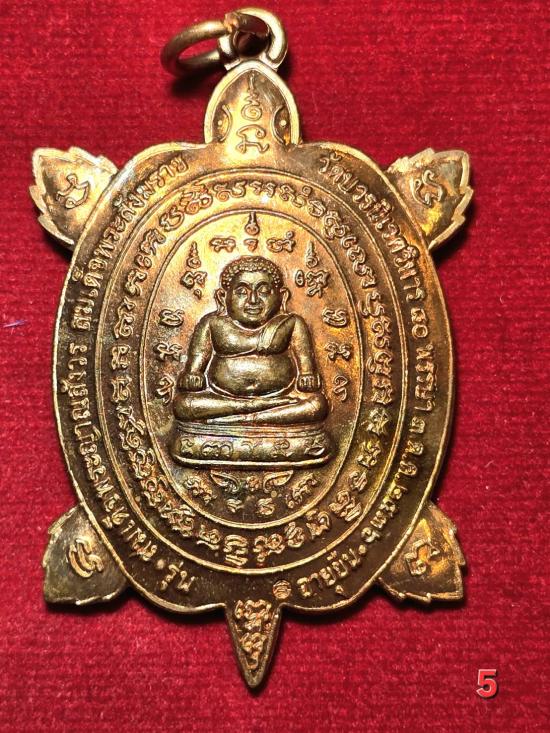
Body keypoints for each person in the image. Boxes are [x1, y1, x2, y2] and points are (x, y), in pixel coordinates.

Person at [174, 255, 328, 426]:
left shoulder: (291, 323)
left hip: (280, 397)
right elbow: (197, 358)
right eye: (241, 292)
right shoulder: (213, 323)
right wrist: (193, 375)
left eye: (264, 291)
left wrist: (307, 375)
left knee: (317, 405)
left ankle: (247, 418)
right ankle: (251, 408)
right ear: (222, 297)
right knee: (183, 404)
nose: (253, 300)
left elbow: (305, 357)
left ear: (282, 296)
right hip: (224, 398)